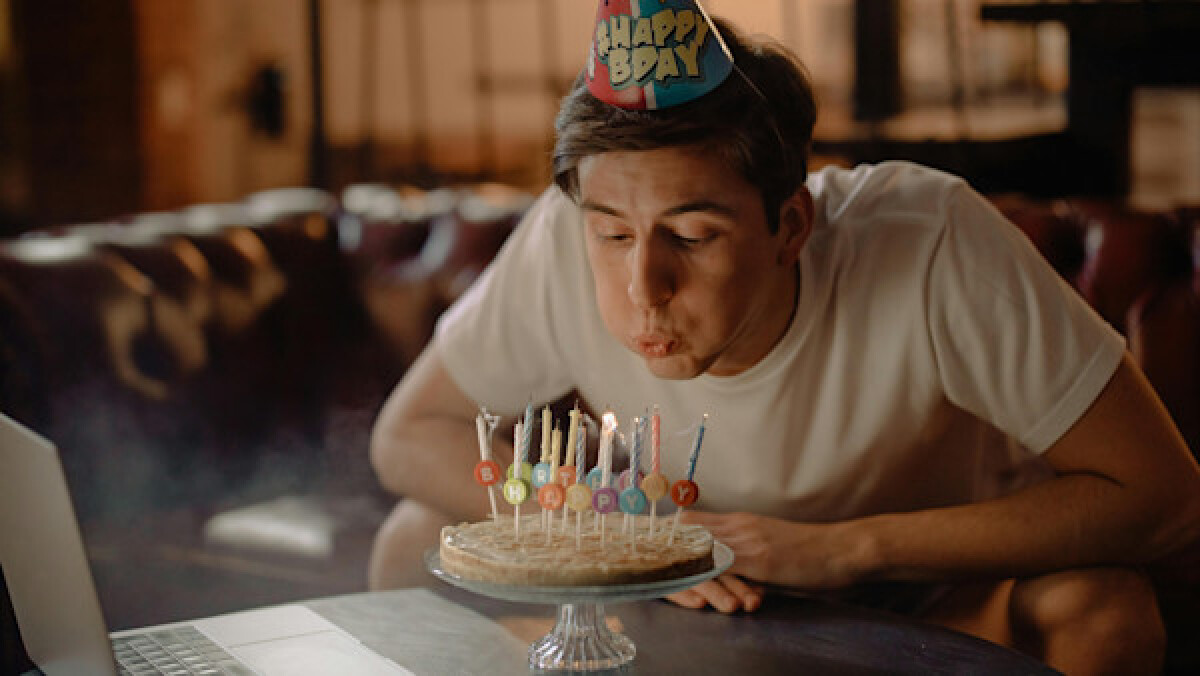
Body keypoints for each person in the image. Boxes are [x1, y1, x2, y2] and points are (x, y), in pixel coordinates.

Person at [368, 7, 1200, 673]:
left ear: (789, 225)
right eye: (613, 235)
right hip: (685, 600)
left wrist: (844, 550)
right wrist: (630, 548)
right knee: (412, 540)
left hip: (936, 604)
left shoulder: (928, 240)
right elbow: (406, 437)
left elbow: (1164, 494)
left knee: (1103, 609)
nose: (642, 288)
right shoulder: (562, 234)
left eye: (692, 237)